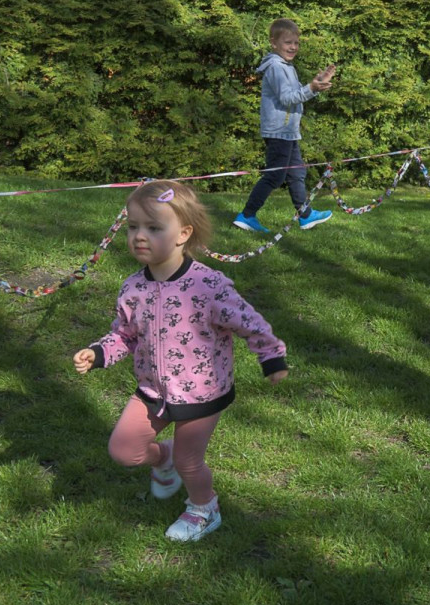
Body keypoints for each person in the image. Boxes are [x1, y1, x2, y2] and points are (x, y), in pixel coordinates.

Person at [74, 181, 289, 542]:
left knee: (191, 462)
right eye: (133, 227)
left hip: (201, 393)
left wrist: (272, 357)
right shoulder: (132, 288)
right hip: (152, 390)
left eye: (153, 228)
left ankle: (204, 510)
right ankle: (163, 458)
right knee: (124, 451)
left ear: (183, 234)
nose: (139, 236)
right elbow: (124, 335)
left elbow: (248, 321)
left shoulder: (208, 286)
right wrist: (98, 353)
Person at [233, 18, 335, 233]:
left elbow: (298, 95)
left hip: (288, 131)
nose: (293, 47)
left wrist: (316, 83)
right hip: (279, 131)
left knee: (296, 173)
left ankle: (305, 215)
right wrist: (312, 88)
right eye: (288, 42)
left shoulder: (287, 67)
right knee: (275, 175)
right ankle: (247, 215)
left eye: (296, 43)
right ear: (274, 42)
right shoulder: (277, 68)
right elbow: (288, 98)